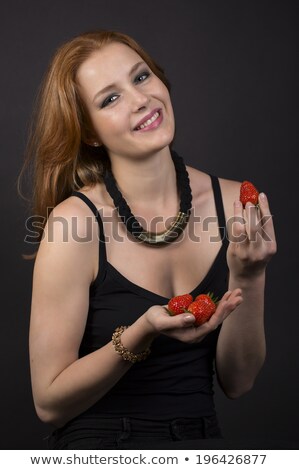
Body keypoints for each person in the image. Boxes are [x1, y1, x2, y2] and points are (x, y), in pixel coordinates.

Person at [22, 30, 276, 450]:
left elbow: (240, 382)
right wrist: (140, 333)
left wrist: (249, 274)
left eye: (140, 78)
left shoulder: (234, 202)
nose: (140, 99)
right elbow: (49, 404)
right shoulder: (74, 223)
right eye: (110, 98)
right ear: (90, 133)